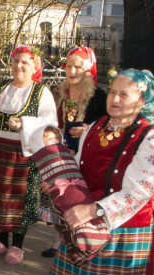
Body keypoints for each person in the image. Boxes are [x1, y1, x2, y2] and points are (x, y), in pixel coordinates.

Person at [43, 69, 154, 275]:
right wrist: (60, 183)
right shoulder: (96, 125)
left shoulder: (149, 137)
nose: (116, 99)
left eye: (125, 94)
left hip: (125, 225)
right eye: (113, 92)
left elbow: (140, 192)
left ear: (143, 100)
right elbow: (80, 165)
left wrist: (94, 209)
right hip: (87, 218)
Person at [0, 45, 58, 265]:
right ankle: (1, 241)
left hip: (23, 155)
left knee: (18, 200)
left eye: (25, 61)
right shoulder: (1, 87)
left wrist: (25, 124)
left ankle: (18, 245)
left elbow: (51, 125)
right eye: (16, 60)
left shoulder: (41, 92)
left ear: (35, 65)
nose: (19, 65)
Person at [40, 46, 108, 258]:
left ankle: (78, 240)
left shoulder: (98, 97)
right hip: (58, 151)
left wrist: (88, 129)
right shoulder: (58, 92)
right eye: (68, 66)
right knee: (57, 197)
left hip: (83, 154)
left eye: (77, 66)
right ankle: (58, 242)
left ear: (87, 69)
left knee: (75, 199)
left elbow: (107, 125)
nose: (72, 70)